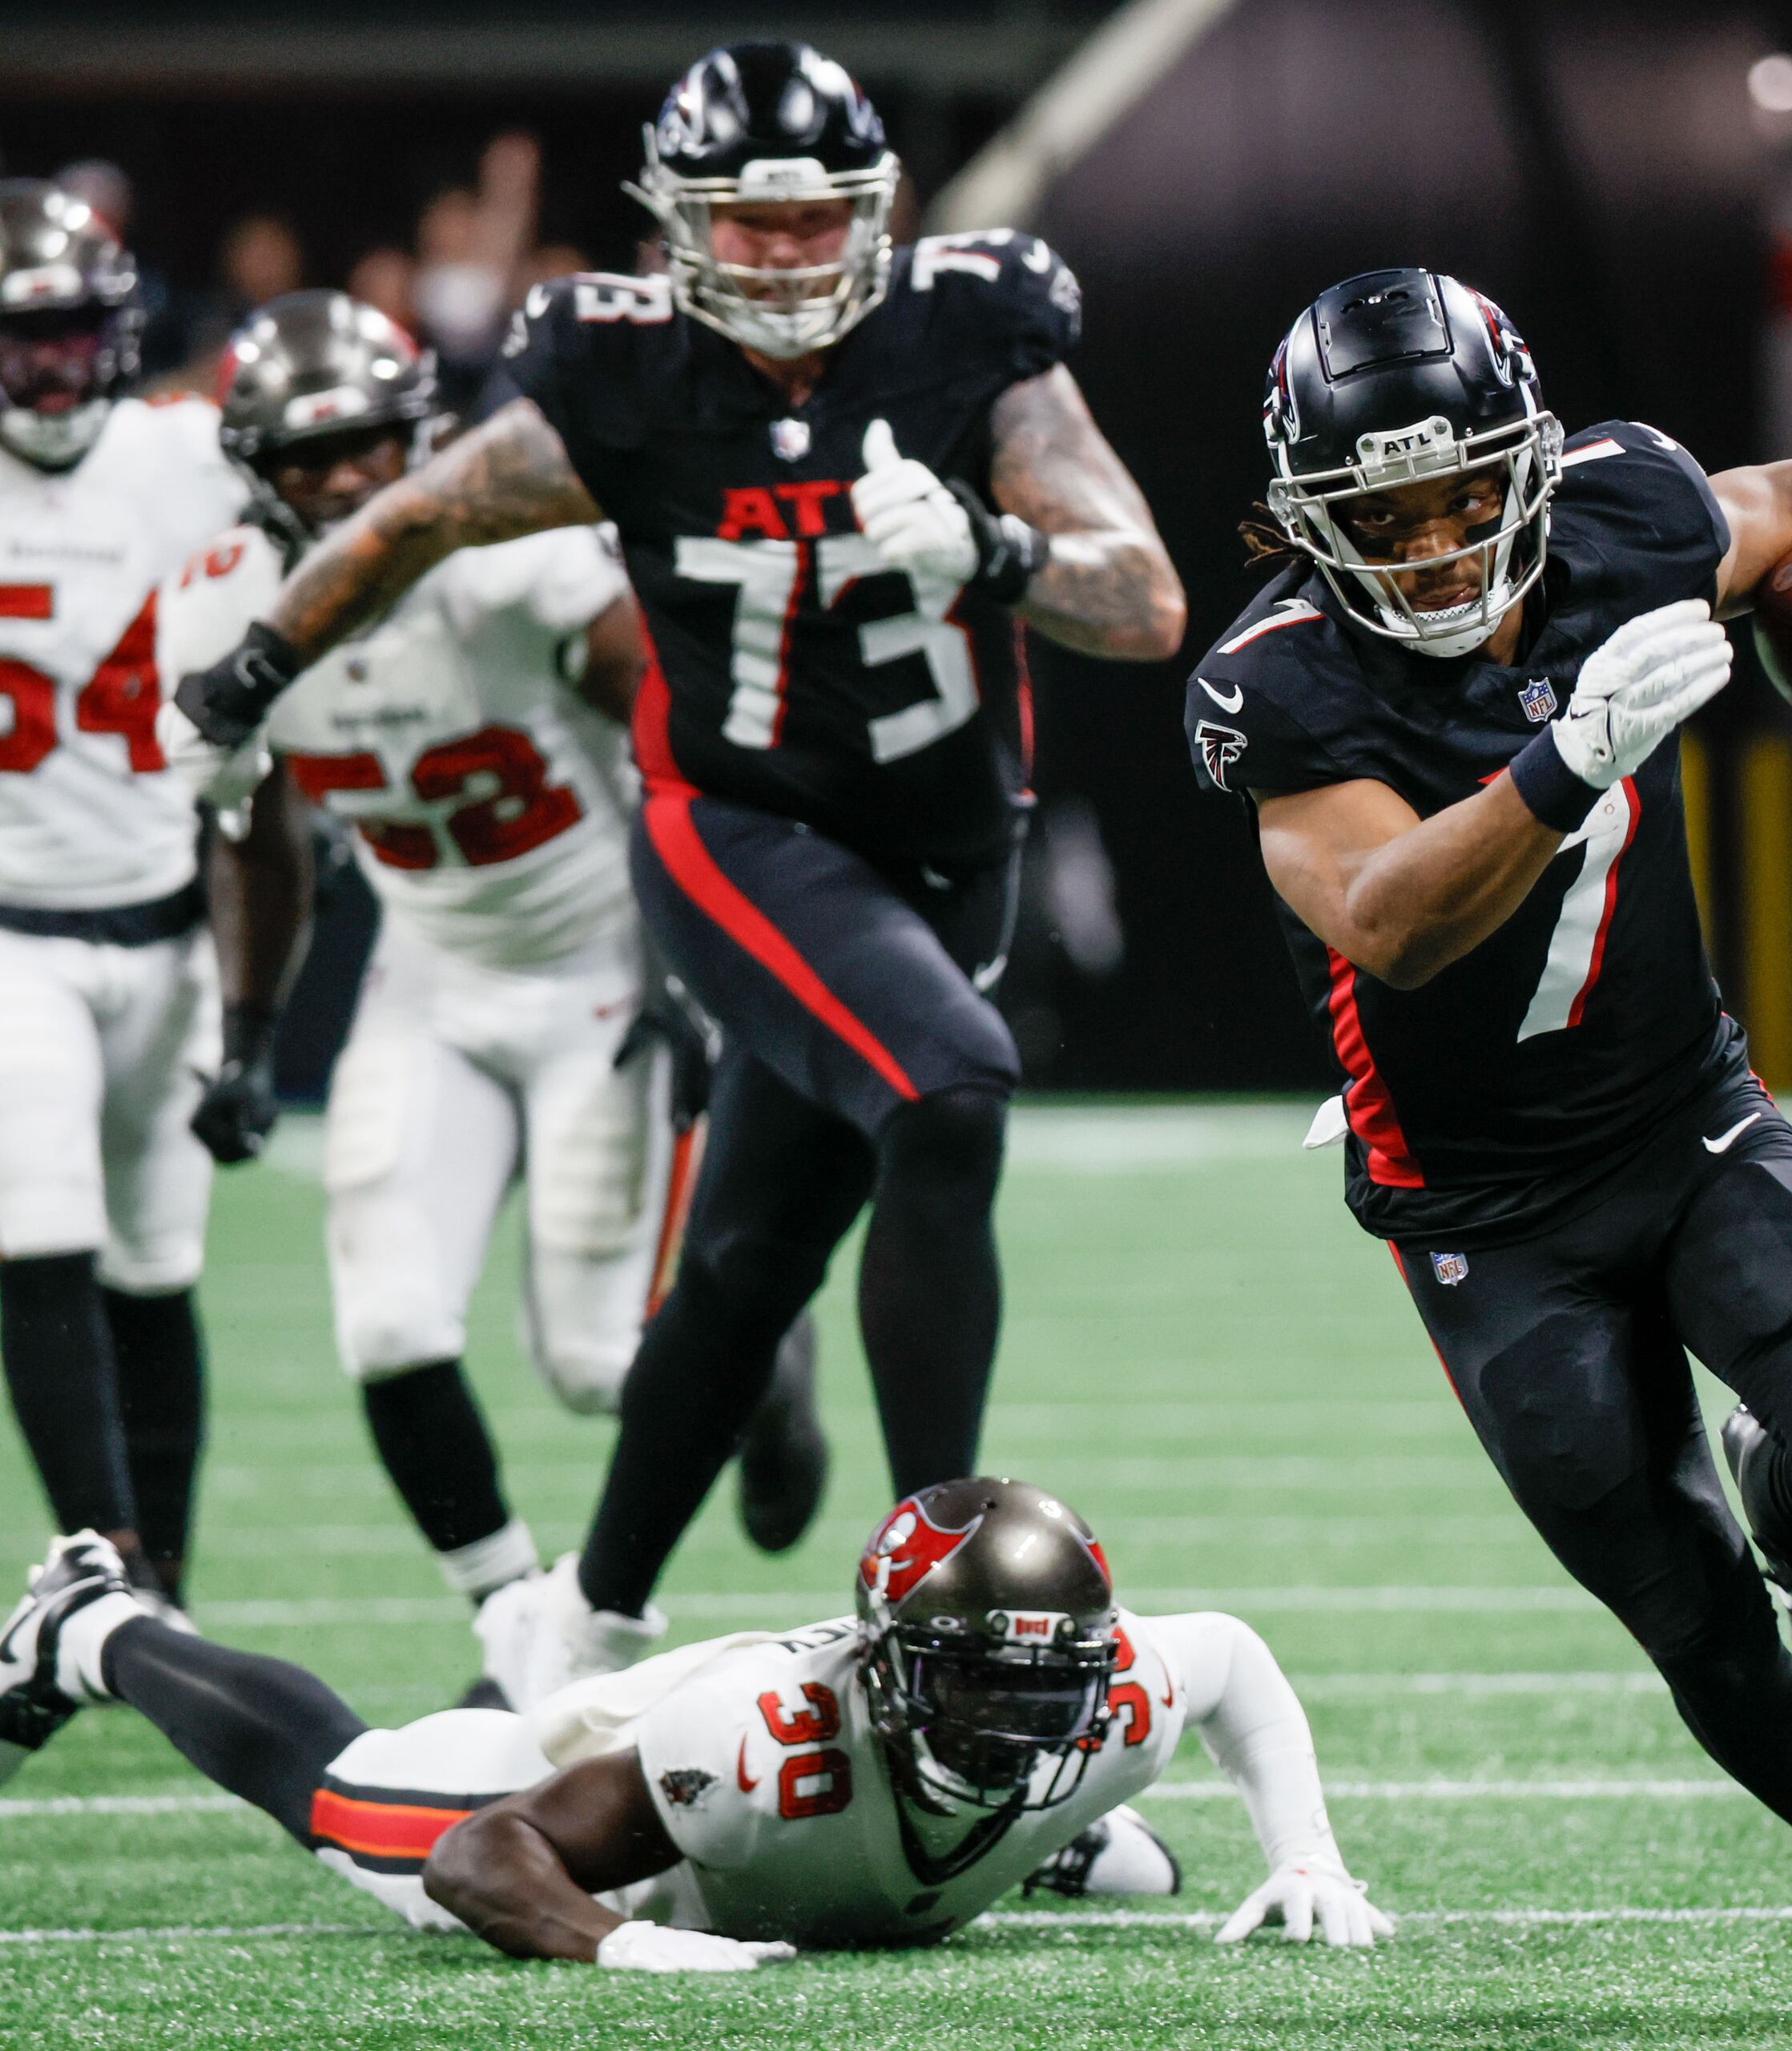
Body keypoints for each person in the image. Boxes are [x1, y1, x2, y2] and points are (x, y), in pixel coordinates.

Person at [167, 42, 1186, 1704]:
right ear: (680, 227)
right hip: (740, 830)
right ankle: (942, 1608)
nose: (784, 257)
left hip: (948, 851)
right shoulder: (625, 373)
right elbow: (413, 518)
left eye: (813, 221)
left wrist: (996, 551)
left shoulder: (969, 337)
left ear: (870, 214)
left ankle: (590, 1620)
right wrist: (251, 675)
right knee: (951, 1091)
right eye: (749, 224)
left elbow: (1144, 604)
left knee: (740, 1264)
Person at [1186, 268, 1792, 2022]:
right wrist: (1567, 757)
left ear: (1529, 462)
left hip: (1680, 1115)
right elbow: (1385, 918)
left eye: (1455, 496)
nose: (1427, 547)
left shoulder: (1619, 509)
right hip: (1482, 1209)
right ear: (1302, 525)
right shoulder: (1278, 685)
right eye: (1379, 515)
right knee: (1692, 1617)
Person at [157, 291, 828, 1654]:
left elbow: (679, 745)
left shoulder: (510, 557)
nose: (348, 480)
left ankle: (767, 1364)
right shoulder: (224, 604)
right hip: (431, 977)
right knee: (391, 1325)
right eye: (310, 455)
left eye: (371, 445)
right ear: (253, 468)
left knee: (591, 1367)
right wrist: (243, 1031)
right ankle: (512, 1621)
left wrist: (698, 964)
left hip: (603, 976)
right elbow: (262, 839)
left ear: (423, 434)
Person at [0, 1479, 1389, 1962]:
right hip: (642, 1827)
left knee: (1137, 1859)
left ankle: (516, 1645)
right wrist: (617, 1946)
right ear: (893, 1668)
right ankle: (88, 1630)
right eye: (977, 1688)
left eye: (1044, 1692)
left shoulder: (1124, 1693)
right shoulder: (749, 1746)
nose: (1018, 1726)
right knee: (348, 1786)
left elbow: (1235, 1664)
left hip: (809, 1812)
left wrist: (1310, 1855)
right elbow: (483, 1857)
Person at [0, 181, 252, 1606]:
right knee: (41, 1231)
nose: (47, 370)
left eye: (70, 336)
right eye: (20, 340)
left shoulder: (185, 455)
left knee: (155, 1270)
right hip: (13, 932)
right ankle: (103, 1570)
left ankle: (166, 1596)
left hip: (166, 927)